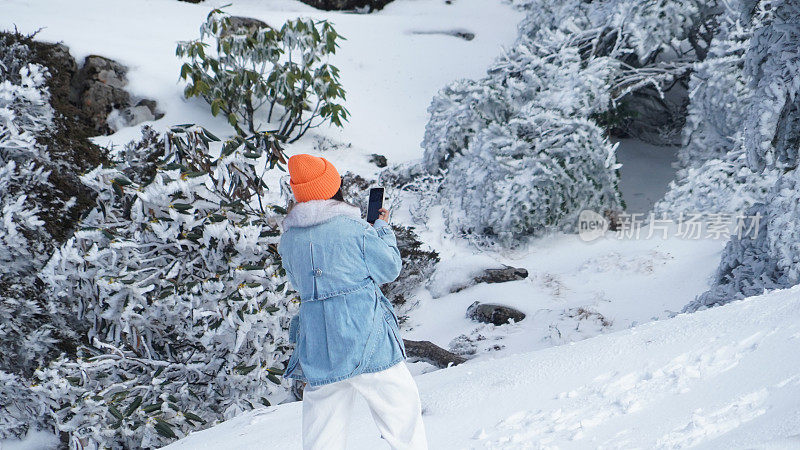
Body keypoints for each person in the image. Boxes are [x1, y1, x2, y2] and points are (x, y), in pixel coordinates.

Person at [278, 154, 428, 450]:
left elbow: (300, 283)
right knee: (402, 416)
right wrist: (381, 230)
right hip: (364, 335)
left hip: (318, 345)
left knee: (323, 432)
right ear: (335, 186)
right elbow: (388, 268)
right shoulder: (356, 230)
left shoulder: (289, 240)